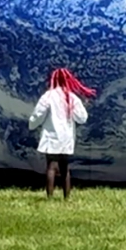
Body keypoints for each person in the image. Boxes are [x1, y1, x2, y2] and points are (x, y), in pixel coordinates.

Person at [28, 67, 95, 199]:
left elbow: (38, 114)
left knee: (51, 166)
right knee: (64, 167)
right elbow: (82, 118)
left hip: (51, 136)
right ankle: (66, 198)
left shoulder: (48, 96)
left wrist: (32, 124)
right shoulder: (72, 98)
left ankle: (50, 197)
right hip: (66, 137)